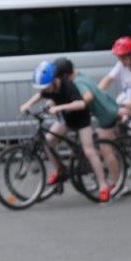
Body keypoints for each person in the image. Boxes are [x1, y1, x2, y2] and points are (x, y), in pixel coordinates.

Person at [19, 60, 111, 201]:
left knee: (88, 151)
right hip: (66, 119)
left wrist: (59, 108)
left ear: (54, 80)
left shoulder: (67, 86)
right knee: (48, 142)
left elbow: (81, 104)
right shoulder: (49, 88)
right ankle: (60, 169)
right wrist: (27, 104)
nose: (45, 89)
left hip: (81, 120)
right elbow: (40, 95)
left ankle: (103, 185)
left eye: (46, 86)